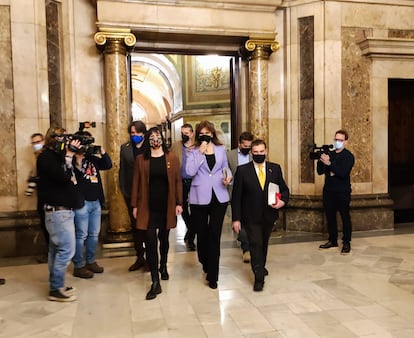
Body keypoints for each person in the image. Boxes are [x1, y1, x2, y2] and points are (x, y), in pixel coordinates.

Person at [131, 127, 183, 300]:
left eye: (157, 136)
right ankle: (155, 281)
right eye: (151, 136)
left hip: (166, 205)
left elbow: (177, 182)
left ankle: (164, 265)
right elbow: (136, 183)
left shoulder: (172, 158)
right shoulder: (141, 159)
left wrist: (179, 202)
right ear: (148, 139)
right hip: (147, 206)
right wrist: (134, 205)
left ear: (162, 138)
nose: (155, 139)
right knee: (150, 241)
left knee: (164, 239)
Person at [231, 139, 289, 292]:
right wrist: (236, 219)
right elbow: (236, 197)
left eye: (261, 152)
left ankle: (261, 266)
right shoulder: (242, 170)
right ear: (251, 153)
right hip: (250, 216)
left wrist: (282, 201)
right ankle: (258, 277)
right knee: (255, 243)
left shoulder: (274, 169)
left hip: (269, 215)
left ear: (266, 151)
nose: (258, 155)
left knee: (263, 242)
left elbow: (284, 190)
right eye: (255, 152)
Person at [37, 127, 84, 302]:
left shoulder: (58, 158)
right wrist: (69, 155)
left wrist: (76, 160)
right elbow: (63, 176)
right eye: (61, 137)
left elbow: (73, 177)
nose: (64, 141)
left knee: (55, 250)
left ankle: (56, 284)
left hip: (63, 211)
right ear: (52, 139)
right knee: (67, 249)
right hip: (57, 212)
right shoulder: (45, 157)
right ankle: (56, 288)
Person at [185, 120, 232, 289]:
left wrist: (228, 177)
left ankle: (213, 275)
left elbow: (225, 167)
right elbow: (189, 172)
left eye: (208, 133)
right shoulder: (192, 151)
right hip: (199, 197)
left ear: (212, 134)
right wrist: (200, 154)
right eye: (202, 133)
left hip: (219, 196)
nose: (205, 135)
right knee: (202, 234)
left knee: (214, 235)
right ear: (198, 135)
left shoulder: (220, 149)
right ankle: (204, 262)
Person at [72, 131, 113, 279]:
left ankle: (90, 261)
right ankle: (79, 265)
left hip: (96, 202)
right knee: (80, 235)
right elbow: (70, 176)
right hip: (81, 203)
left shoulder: (92, 158)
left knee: (94, 234)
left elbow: (108, 164)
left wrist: (101, 151)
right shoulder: (71, 159)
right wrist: (77, 159)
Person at [317, 129, 355, 254]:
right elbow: (320, 172)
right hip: (329, 191)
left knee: (345, 217)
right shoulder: (330, 154)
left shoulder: (348, 156)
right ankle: (332, 240)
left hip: (342, 191)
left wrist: (329, 164)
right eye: (336, 139)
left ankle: (346, 242)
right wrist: (321, 160)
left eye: (340, 140)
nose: (337, 142)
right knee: (330, 216)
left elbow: (342, 173)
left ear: (346, 141)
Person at [119, 120, 148, 272]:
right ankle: (140, 257)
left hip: (148, 193)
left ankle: (150, 258)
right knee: (136, 227)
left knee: (147, 227)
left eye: (137, 133)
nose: (134, 135)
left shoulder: (150, 147)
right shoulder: (125, 148)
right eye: (132, 133)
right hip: (131, 193)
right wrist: (124, 190)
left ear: (143, 133)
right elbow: (122, 171)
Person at [227, 131, 254, 263]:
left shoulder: (253, 155)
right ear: (239, 144)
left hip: (251, 194)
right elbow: (225, 171)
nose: (247, 148)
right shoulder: (230, 155)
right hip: (235, 193)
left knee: (249, 221)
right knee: (239, 221)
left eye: (249, 146)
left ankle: (248, 246)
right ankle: (246, 248)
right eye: (245, 145)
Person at [170, 123, 196, 251]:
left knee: (196, 209)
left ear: (191, 134)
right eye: (182, 133)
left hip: (195, 182)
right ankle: (191, 231)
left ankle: (190, 235)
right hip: (181, 182)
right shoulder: (176, 146)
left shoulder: (197, 147)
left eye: (186, 133)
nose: (184, 135)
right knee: (183, 208)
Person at [26, 133, 48, 263]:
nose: (36, 145)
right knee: (45, 226)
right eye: (33, 143)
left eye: (38, 142)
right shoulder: (38, 157)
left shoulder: (45, 157)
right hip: (42, 196)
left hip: (48, 197)